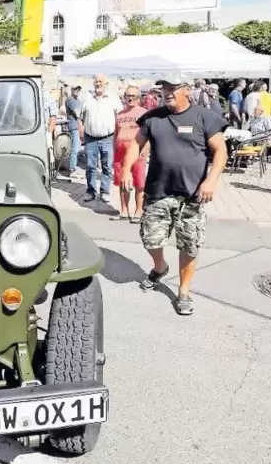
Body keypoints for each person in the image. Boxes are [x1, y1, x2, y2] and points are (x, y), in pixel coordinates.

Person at [122, 73, 228, 316]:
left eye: (174, 88)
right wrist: (127, 169)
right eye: (165, 88)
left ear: (187, 90)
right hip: (158, 192)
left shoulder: (205, 117)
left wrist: (211, 180)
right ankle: (160, 267)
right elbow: (135, 145)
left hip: (191, 195)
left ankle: (183, 291)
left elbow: (221, 151)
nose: (168, 92)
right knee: (150, 239)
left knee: (189, 245)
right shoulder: (152, 118)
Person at [80, 74, 122, 203]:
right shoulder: (87, 97)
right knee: (90, 166)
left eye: (100, 81)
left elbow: (119, 117)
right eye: (96, 81)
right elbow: (80, 117)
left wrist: (118, 136)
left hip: (108, 137)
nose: (98, 84)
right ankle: (91, 191)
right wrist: (81, 131)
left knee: (107, 166)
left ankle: (104, 191)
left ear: (105, 83)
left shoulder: (113, 98)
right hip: (90, 137)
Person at [111, 85, 148, 222]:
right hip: (120, 153)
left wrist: (145, 151)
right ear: (124, 97)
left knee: (139, 183)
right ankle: (124, 211)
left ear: (139, 98)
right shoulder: (120, 114)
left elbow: (148, 134)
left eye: (134, 96)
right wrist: (114, 149)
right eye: (128, 96)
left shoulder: (144, 113)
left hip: (137, 152)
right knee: (122, 182)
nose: (130, 98)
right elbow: (116, 134)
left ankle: (139, 211)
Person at [65, 85, 84, 177]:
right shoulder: (70, 100)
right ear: (71, 90)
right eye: (75, 89)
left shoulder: (78, 101)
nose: (77, 90)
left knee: (78, 148)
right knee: (75, 148)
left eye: (79, 89)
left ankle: (73, 167)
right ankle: (72, 169)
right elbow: (78, 113)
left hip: (79, 126)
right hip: (74, 126)